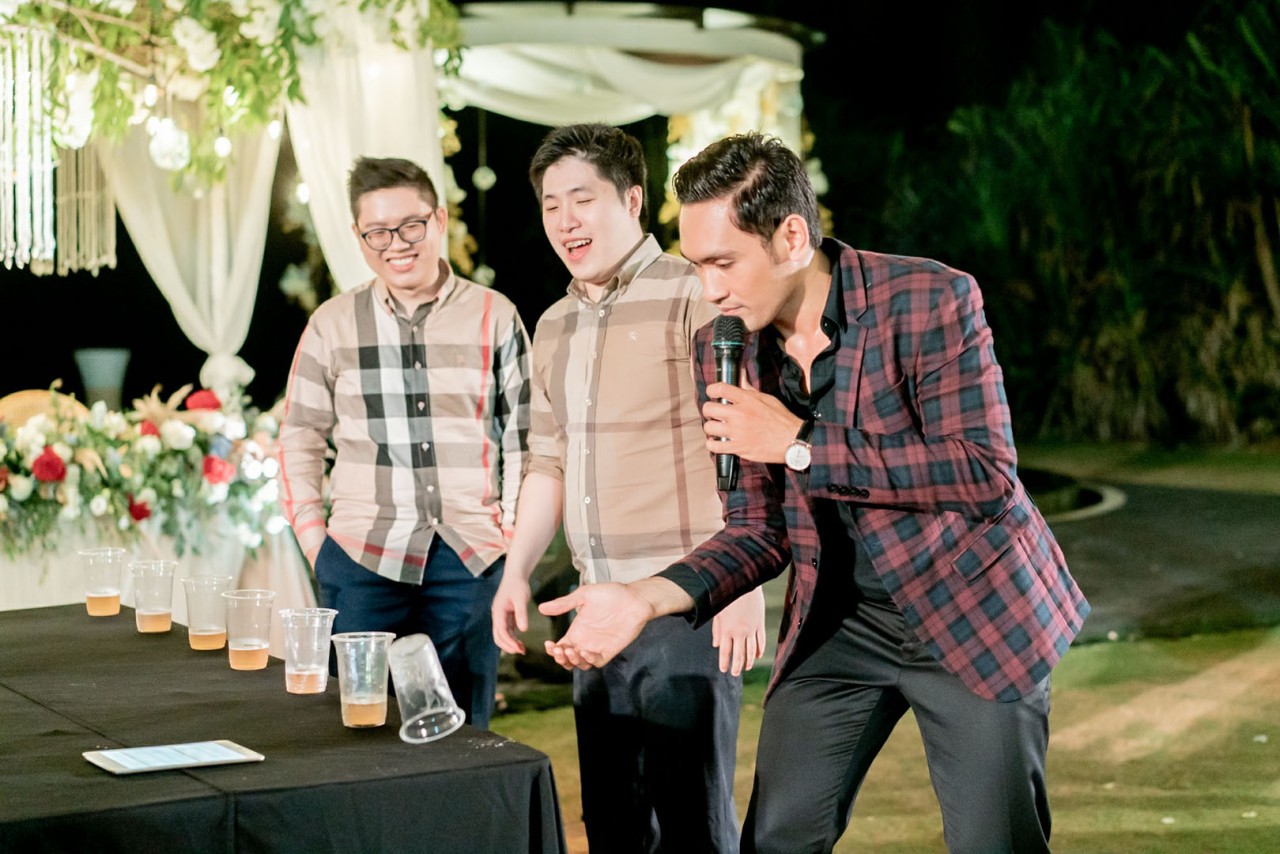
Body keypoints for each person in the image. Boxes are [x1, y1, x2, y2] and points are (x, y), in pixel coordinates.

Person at [538, 132, 1091, 853]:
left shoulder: (928, 299)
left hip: (967, 610)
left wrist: (799, 442)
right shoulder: (726, 348)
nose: (709, 289)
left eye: (723, 262)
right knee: (777, 838)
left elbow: (983, 473)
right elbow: (756, 530)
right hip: (841, 624)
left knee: (995, 843)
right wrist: (644, 598)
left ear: (792, 238)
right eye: (697, 265)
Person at [491, 123, 766, 854]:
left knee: (693, 827)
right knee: (612, 825)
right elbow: (547, 463)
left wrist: (741, 584)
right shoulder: (553, 325)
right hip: (594, 607)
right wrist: (516, 572)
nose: (566, 220)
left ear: (633, 200)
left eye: (583, 199)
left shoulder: (694, 294)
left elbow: (744, 439)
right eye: (552, 205)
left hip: (685, 603)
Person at [279, 156, 530, 730]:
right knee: (359, 734)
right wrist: (316, 543)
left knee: (464, 737)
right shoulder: (332, 324)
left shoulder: (494, 315)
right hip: (361, 555)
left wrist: (512, 542)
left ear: (438, 220)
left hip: (470, 557)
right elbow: (300, 436)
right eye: (378, 232)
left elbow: (524, 438)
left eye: (411, 226)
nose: (396, 244)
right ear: (358, 236)